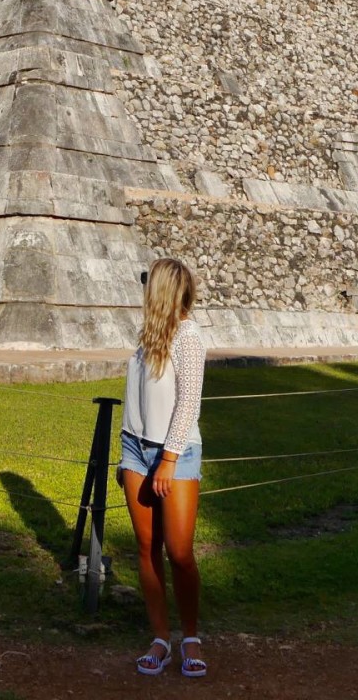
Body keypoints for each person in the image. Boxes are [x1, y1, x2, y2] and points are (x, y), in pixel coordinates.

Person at [119, 256, 207, 678]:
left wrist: (168, 460)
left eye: (146, 281)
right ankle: (160, 638)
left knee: (180, 552)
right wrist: (127, 456)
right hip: (135, 449)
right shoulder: (147, 335)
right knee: (146, 548)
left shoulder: (187, 336)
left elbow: (189, 402)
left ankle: (190, 635)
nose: (142, 288)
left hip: (176, 453)